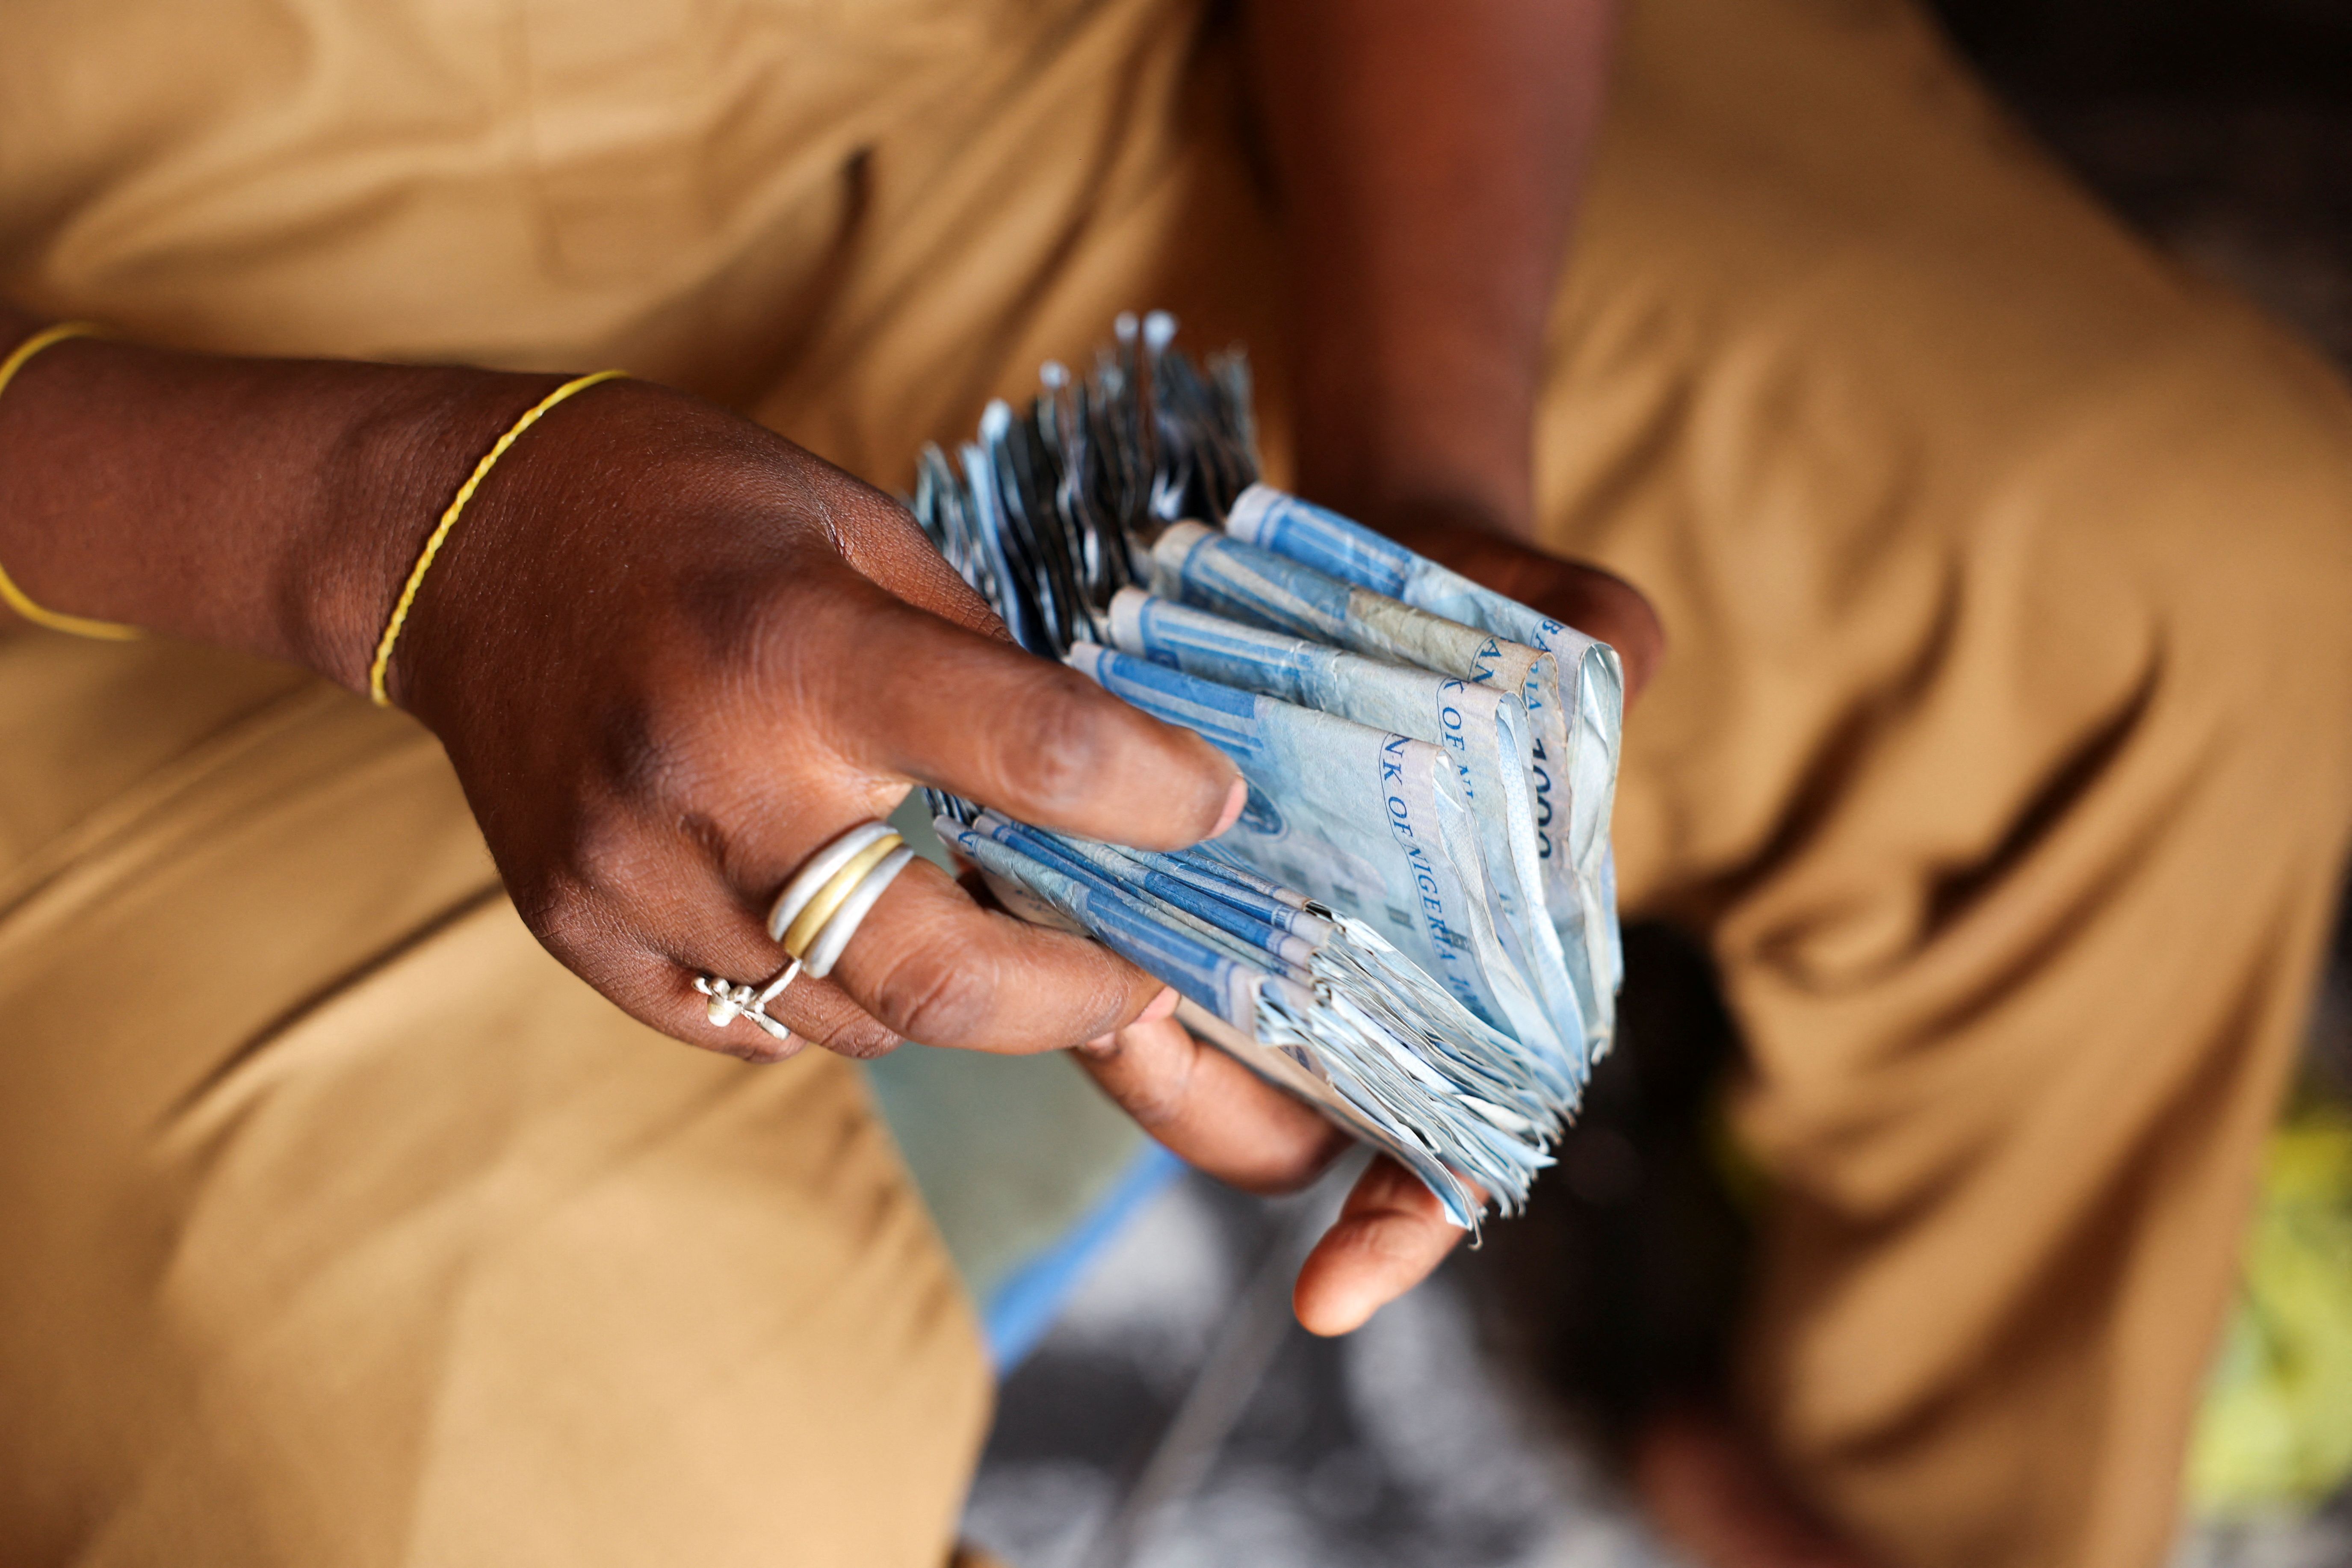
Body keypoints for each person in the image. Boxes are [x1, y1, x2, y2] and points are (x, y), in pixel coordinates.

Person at [1, 0, 2346, 1565]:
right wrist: (415, 539)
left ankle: (1922, 1496)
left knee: (2188, 586)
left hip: (1030, 104)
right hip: (145, 447)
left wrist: (1418, 498)